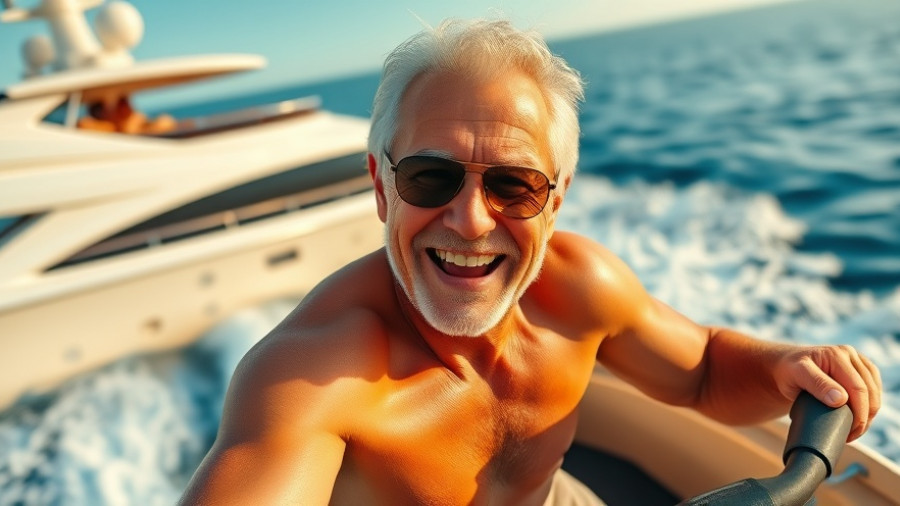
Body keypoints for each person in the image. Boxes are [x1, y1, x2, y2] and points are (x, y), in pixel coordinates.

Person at [178, 19, 882, 505]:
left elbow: (700, 371)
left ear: (556, 200)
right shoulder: (310, 376)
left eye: (513, 184)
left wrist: (786, 365)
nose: (470, 219)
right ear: (380, 185)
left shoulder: (579, 289)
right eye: (430, 177)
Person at [77, 94, 175, 134]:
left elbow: (165, 122)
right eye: (121, 104)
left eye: (124, 102)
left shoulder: (139, 120)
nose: (125, 107)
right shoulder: (91, 127)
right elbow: (83, 125)